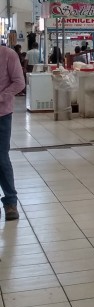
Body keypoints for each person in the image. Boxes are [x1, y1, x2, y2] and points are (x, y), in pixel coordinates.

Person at [0, 44, 26, 220]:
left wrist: (1, 97)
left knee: (1, 158)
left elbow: (19, 82)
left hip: (1, 115)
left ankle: (10, 202)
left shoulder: (8, 55)